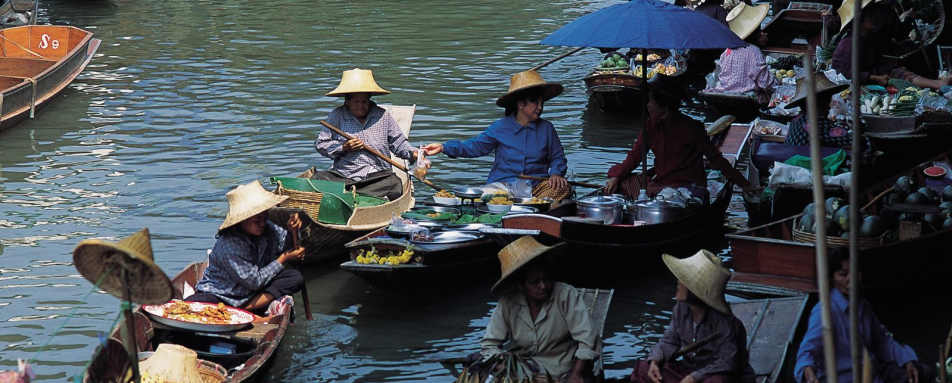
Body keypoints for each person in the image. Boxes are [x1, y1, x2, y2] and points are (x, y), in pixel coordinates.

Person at [422, 70, 571, 200]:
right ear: (520, 104)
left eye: (541, 103)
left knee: (561, 188)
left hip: (536, 187)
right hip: (503, 186)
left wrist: (556, 174)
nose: (539, 107)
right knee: (481, 197)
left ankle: (535, 213)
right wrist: (443, 147)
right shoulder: (500, 127)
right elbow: (473, 147)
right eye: (534, 102)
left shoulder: (547, 129)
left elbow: (558, 157)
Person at [794, 249, 932, 383]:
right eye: (843, 274)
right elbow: (807, 351)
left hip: (872, 371)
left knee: (922, 372)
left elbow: (881, 340)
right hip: (845, 378)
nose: (851, 279)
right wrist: (808, 372)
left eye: (854, 272)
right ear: (832, 278)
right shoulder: (824, 311)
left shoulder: (862, 305)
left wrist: (906, 361)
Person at [604, 78, 753, 200]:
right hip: (661, 184)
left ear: (664, 106)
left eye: (651, 102)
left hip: (688, 188)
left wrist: (744, 184)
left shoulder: (692, 128)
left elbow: (716, 160)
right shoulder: (650, 126)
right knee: (625, 182)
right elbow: (635, 157)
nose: (648, 105)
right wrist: (616, 176)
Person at [480, 236, 598, 383]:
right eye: (535, 282)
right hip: (522, 372)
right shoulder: (508, 303)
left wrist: (576, 374)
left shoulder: (566, 295)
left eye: (546, 279)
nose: (543, 286)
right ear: (521, 285)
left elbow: (588, 339)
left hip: (561, 371)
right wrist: (502, 363)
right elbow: (490, 344)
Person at [629, 250, 754, 383]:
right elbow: (669, 340)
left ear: (695, 292)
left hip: (715, 374)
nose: (678, 282)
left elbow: (727, 362)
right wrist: (655, 361)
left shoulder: (725, 323)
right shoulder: (681, 309)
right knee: (643, 368)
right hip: (689, 370)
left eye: (683, 281)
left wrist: (695, 377)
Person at [192, 180, 305, 314]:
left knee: (294, 278)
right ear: (242, 220)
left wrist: (293, 231)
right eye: (256, 220)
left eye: (264, 218)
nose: (262, 223)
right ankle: (238, 308)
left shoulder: (268, 228)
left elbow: (287, 246)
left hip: (253, 295)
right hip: (223, 295)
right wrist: (283, 258)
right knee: (192, 305)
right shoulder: (230, 244)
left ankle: (245, 308)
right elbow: (254, 281)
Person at [315, 68, 421, 201]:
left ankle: (354, 197)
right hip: (345, 177)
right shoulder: (337, 115)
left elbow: (399, 144)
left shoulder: (382, 116)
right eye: (356, 102)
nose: (361, 106)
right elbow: (321, 145)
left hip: (377, 178)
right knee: (318, 178)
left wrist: (415, 154)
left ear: (369, 99)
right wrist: (344, 147)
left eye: (364, 101)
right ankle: (354, 196)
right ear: (347, 101)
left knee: (394, 183)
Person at [832, 2, 950, 90]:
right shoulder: (849, 44)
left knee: (899, 71)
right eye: (871, 16)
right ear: (860, 19)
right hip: (857, 84)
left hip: (876, 72)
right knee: (897, 77)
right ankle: (937, 84)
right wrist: (875, 78)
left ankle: (937, 84)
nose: (877, 19)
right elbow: (844, 74)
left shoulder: (870, 37)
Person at [705, 3, 778, 104]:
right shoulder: (754, 51)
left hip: (724, 98)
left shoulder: (727, 51)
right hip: (747, 102)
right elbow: (766, 83)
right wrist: (778, 82)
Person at [782, 72, 855, 149]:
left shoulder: (796, 120)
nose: (829, 107)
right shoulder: (817, 123)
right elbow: (847, 139)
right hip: (806, 159)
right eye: (826, 102)